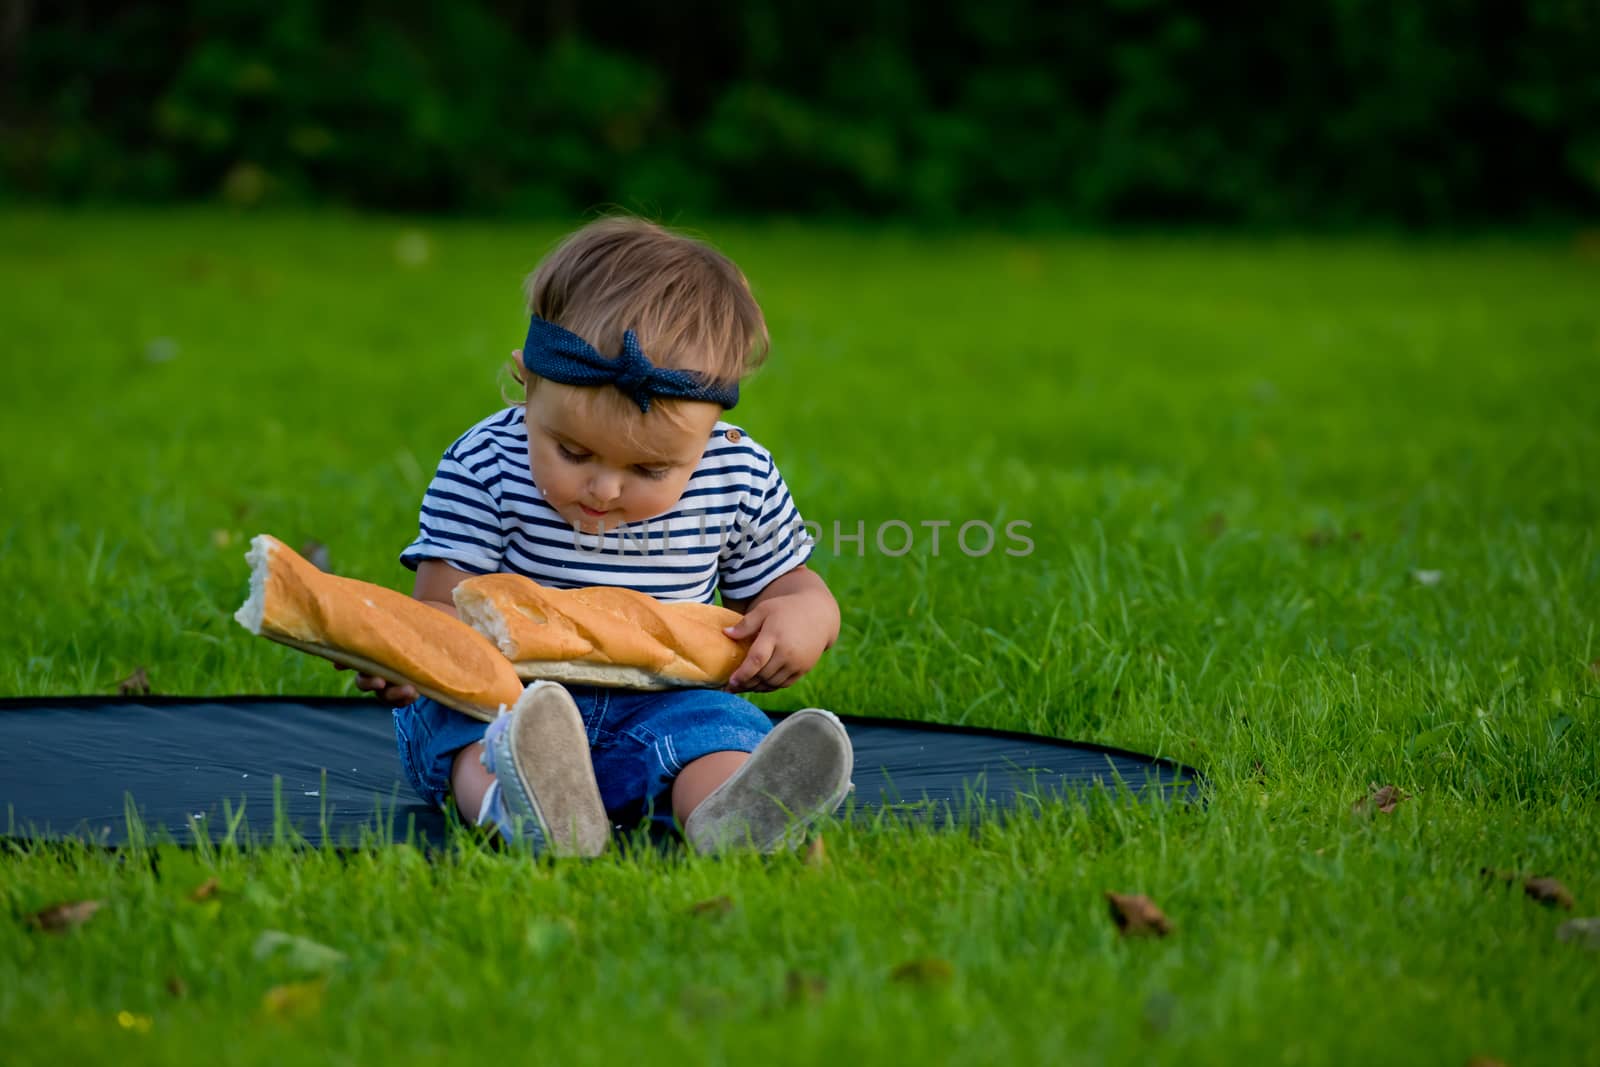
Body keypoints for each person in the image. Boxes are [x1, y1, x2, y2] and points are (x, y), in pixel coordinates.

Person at [344, 216, 853, 857]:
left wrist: (804, 615)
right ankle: (524, 808)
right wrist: (409, 661)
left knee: (716, 732)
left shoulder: (736, 473)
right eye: (573, 451)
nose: (604, 489)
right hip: (509, 697)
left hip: (663, 703)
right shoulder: (485, 463)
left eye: (649, 470)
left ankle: (736, 815)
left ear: (711, 428)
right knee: (467, 730)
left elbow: (791, 584)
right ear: (527, 383)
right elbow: (440, 606)